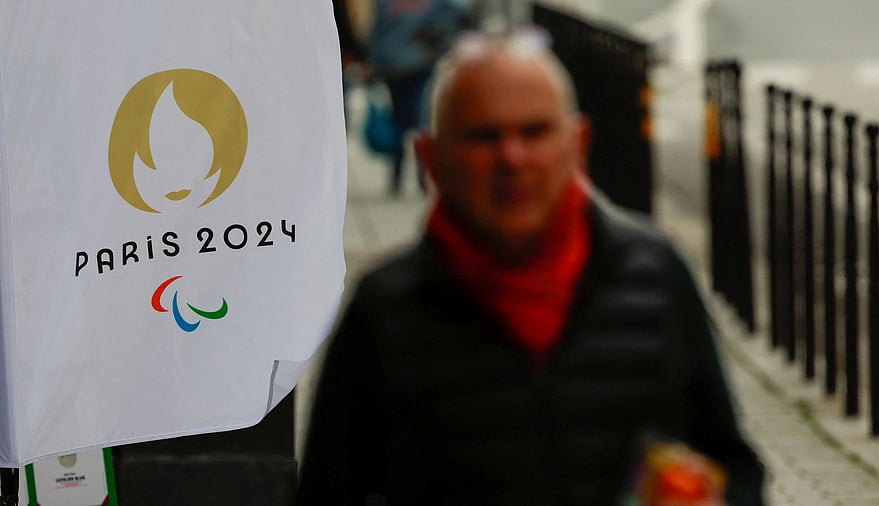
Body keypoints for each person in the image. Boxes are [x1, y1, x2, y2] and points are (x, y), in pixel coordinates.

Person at [297, 29, 765, 506]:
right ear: (431, 160)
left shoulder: (655, 277)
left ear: (578, 144)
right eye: (484, 136)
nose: (512, 159)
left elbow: (735, 467)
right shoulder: (385, 311)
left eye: (534, 132)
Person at [366, 0, 472, 196]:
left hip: (413, 66)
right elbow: (378, 30)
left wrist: (435, 43)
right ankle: (405, 175)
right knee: (406, 121)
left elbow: (456, 20)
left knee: (415, 119)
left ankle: (416, 174)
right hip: (397, 67)